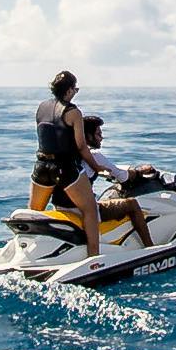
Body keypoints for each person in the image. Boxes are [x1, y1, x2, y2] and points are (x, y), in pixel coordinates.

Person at [30, 70, 155, 249]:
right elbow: (81, 146)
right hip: (63, 167)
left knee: (34, 213)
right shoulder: (73, 112)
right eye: (75, 89)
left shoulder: (42, 107)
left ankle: (27, 246)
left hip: (41, 166)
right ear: (70, 90)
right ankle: (94, 257)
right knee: (89, 209)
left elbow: (49, 137)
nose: (75, 93)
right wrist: (96, 167)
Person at [80, 110, 176, 202]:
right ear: (88, 136)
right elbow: (124, 178)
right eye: (98, 134)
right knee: (133, 206)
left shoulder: (73, 152)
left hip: (72, 203)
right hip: (87, 206)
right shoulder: (94, 155)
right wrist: (139, 171)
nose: (101, 138)